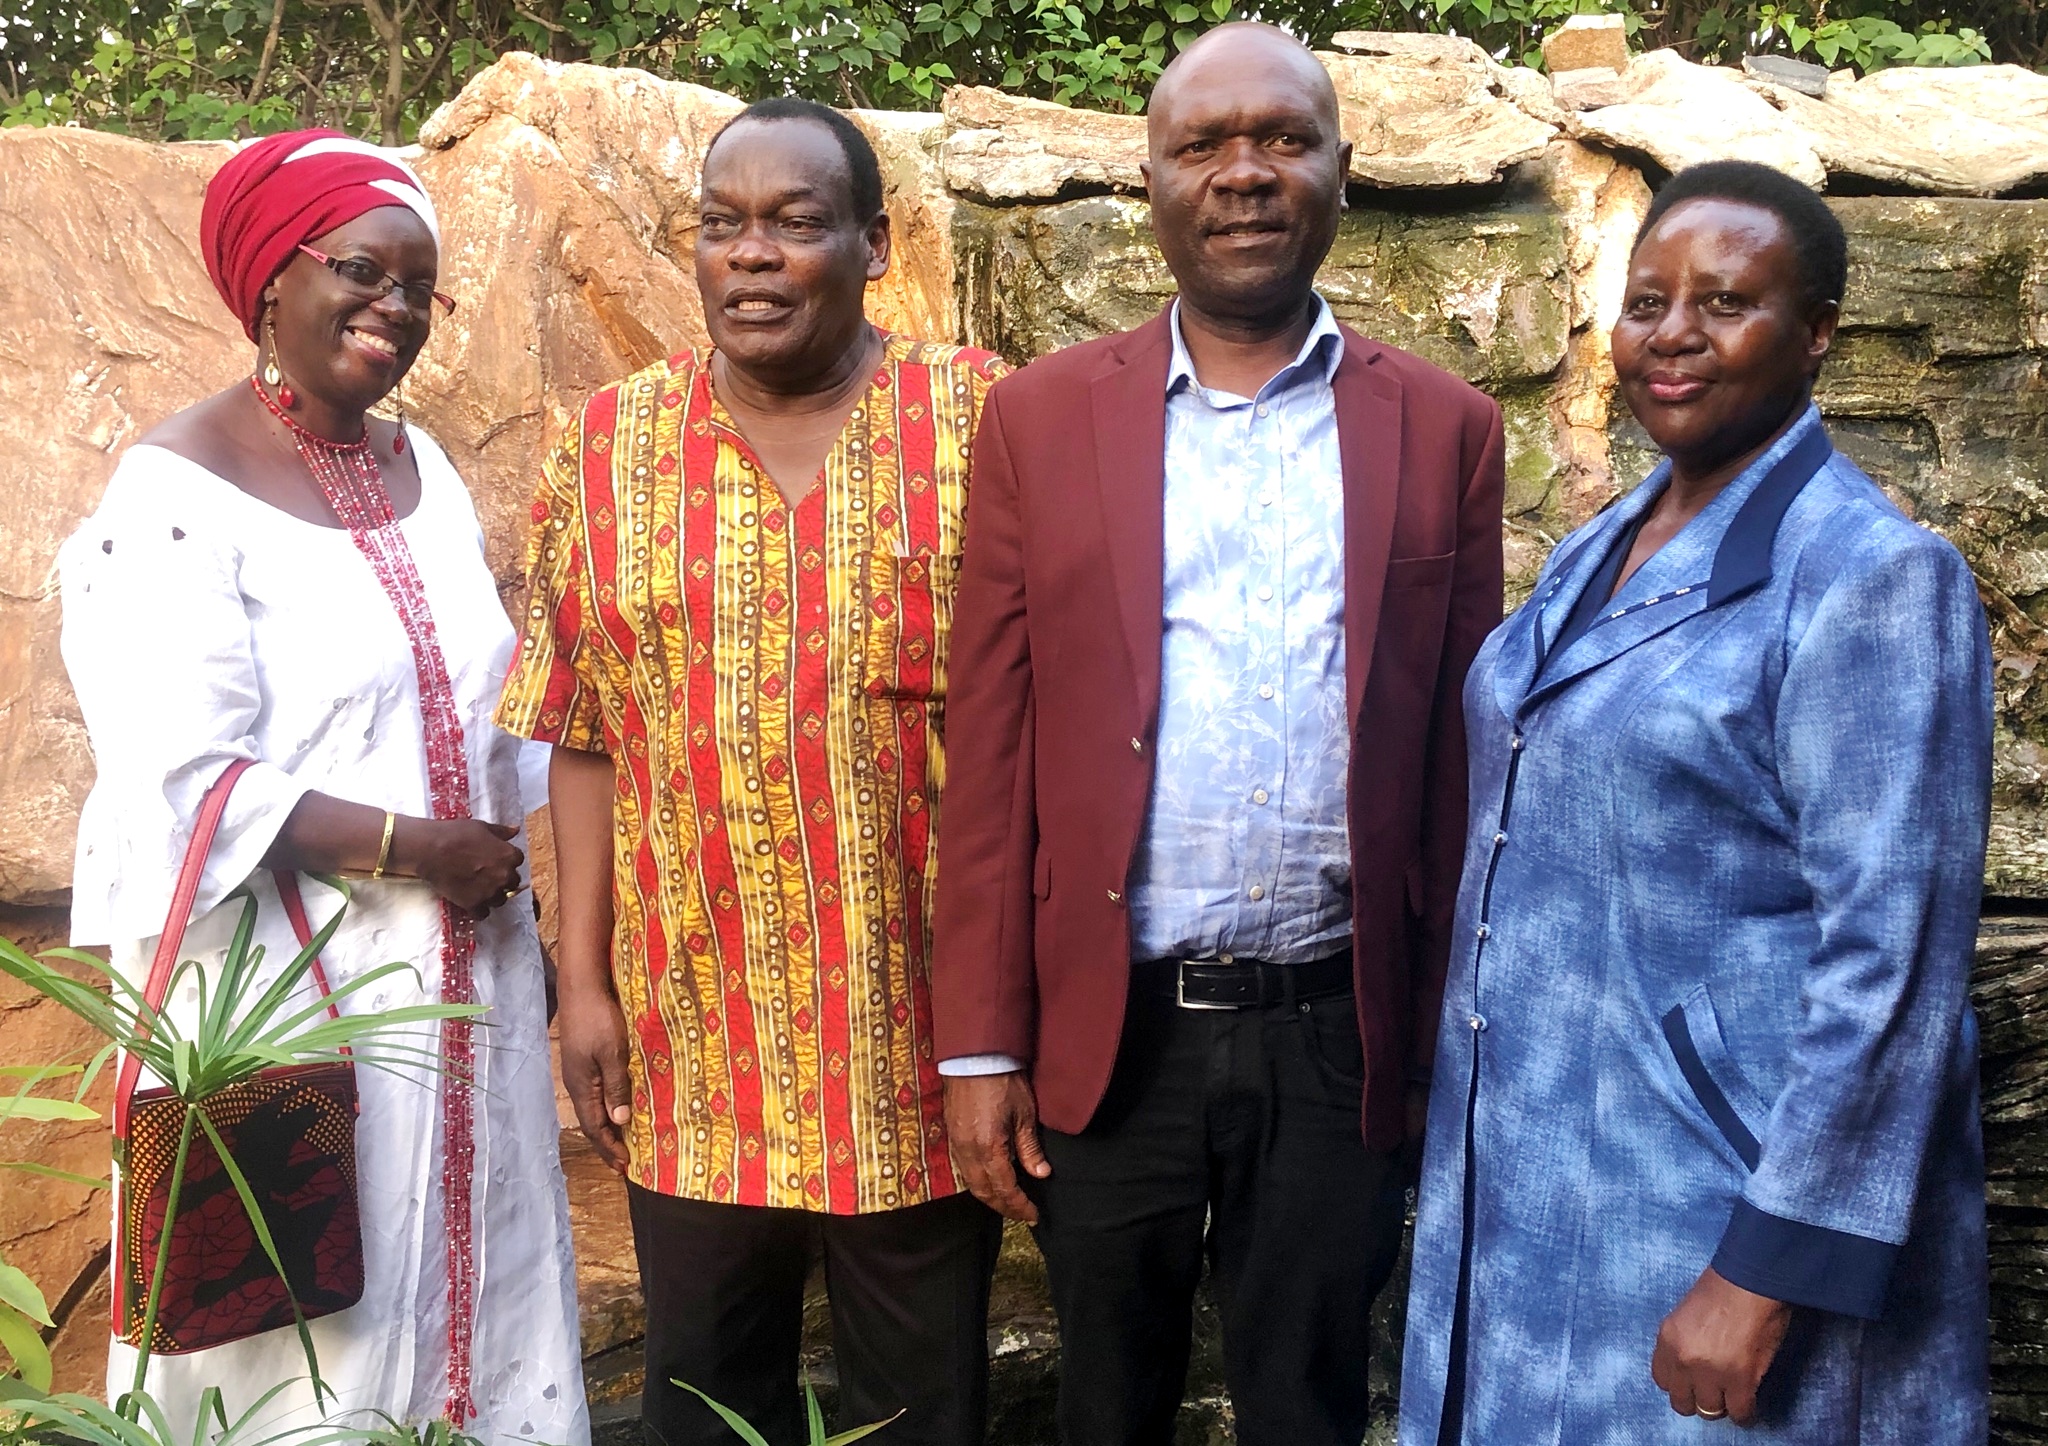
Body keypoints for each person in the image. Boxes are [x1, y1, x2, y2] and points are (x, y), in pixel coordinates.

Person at [930, 23, 1506, 1446]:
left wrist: (1442, 1039)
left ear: (1342, 175)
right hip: (1113, 1032)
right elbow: (991, 754)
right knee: (1106, 1403)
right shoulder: (1041, 420)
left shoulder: (1446, 430)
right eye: (1204, 145)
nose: (1245, 174)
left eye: (1283, 141)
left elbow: (1463, 764)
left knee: (1308, 1402)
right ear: (1149, 183)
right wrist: (979, 1048)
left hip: (1336, 1029)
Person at [1399, 159, 1991, 1445]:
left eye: (1723, 303)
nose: (1671, 334)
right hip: (1537, 1186)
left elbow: (1891, 956)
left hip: (1709, 1200)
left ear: (1815, 333)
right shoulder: (1595, 547)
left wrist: (1764, 1266)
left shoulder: (1868, 580)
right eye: (1647, 299)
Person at [59, 131, 588, 1443]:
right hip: (294, 1001)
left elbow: (489, 706)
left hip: (466, 979)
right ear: (268, 282)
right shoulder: (173, 495)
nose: (393, 310)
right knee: (299, 1333)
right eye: (362, 271)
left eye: (419, 288)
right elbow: (181, 771)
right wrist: (426, 849)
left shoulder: (427, 473)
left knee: (482, 1281)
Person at [496, 99, 1009, 1446]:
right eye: (723, 226)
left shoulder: (981, 424)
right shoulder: (608, 449)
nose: (753, 256)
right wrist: (585, 978)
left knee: (920, 1416)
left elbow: (1049, 730)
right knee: (709, 1408)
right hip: (694, 1049)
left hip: (914, 1056)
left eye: (794, 222)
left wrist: (1010, 1026)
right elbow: (583, 731)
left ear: (872, 243)